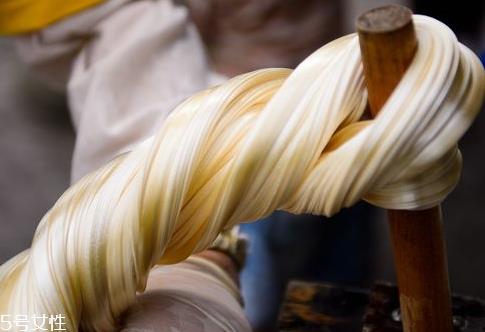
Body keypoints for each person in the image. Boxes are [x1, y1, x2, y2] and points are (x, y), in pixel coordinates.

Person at [2, 0, 374, 330]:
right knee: (260, 295)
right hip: (214, 160)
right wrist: (194, 256)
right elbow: (109, 18)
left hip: (348, 124)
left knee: (339, 277)